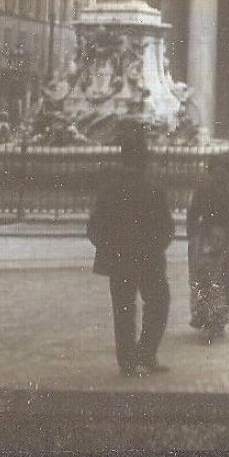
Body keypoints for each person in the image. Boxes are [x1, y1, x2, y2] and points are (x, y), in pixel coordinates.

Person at [87, 122, 175, 377]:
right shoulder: (154, 190)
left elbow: (94, 228)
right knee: (158, 304)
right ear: (144, 161)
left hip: (119, 260)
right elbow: (167, 227)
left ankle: (127, 361)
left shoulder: (109, 191)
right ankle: (146, 353)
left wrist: (109, 249)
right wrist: (156, 248)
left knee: (123, 310)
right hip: (149, 259)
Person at [186, 156, 229, 343]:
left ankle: (216, 318)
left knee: (222, 280)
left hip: (224, 239)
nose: (219, 176)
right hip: (207, 238)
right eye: (216, 172)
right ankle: (206, 317)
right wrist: (194, 237)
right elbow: (193, 215)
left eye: (223, 172)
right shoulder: (204, 191)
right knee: (205, 279)